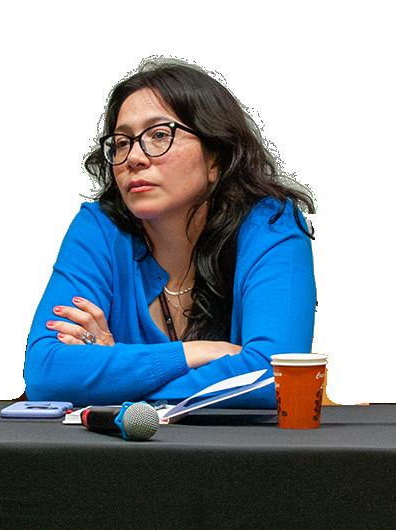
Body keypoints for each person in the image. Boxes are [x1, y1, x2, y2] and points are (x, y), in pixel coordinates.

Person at [24, 59, 316, 407]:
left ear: (215, 158)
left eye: (159, 135)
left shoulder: (272, 224)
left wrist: (113, 378)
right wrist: (195, 352)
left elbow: (274, 376)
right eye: (121, 142)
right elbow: (46, 373)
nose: (133, 157)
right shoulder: (99, 229)